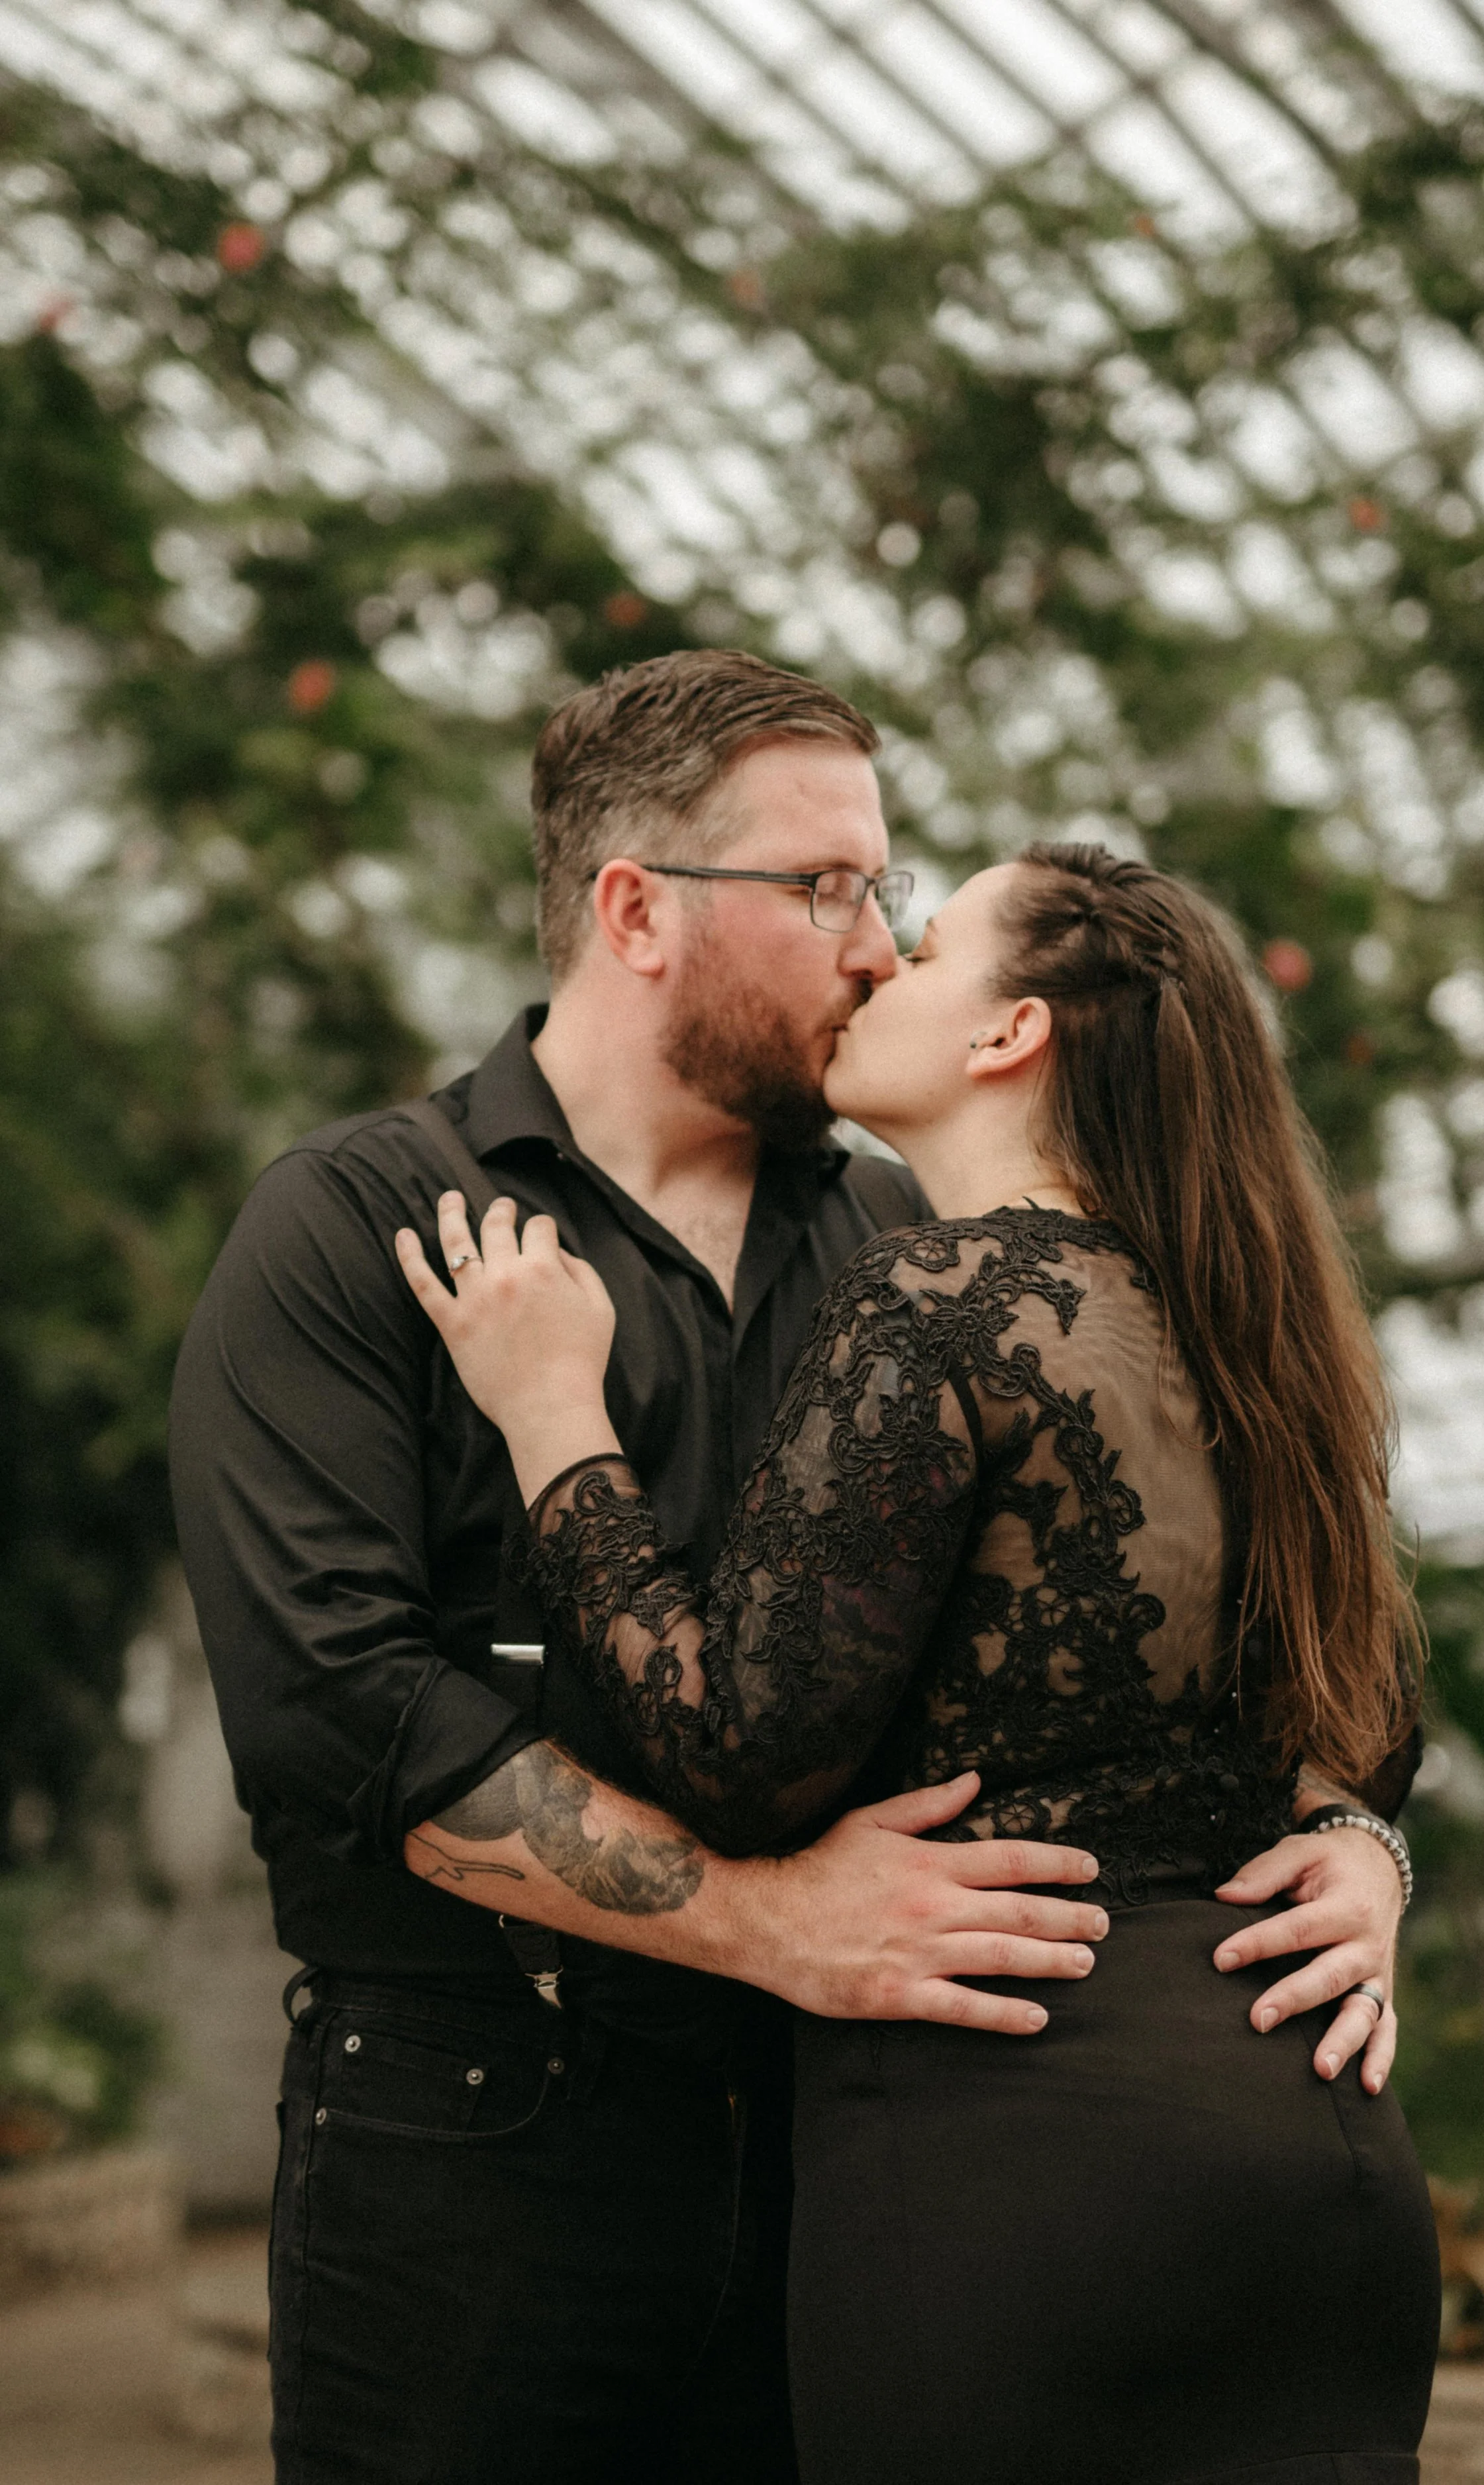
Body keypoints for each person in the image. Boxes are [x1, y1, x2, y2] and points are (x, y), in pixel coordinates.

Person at [171, 650, 1412, 2485]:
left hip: (876, 2160)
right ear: (634, 909)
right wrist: (775, 1926)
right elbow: (341, 1718)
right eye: (824, 886)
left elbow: (1230, 1580)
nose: (870, 939)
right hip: (487, 2162)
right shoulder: (361, 1226)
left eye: (890, 894)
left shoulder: (927, 1242)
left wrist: (1350, 1832)